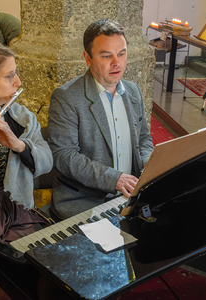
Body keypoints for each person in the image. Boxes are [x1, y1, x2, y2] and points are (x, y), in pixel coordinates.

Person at [0, 42, 53, 299]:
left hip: (14, 210)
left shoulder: (21, 117)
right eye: (9, 75)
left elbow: (47, 162)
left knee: (46, 270)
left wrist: (18, 144)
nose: (18, 81)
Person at [48, 19, 154, 220]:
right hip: (85, 202)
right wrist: (115, 180)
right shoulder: (67, 97)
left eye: (121, 54)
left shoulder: (133, 91)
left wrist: (150, 168)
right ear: (87, 58)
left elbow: (143, 139)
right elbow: (64, 155)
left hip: (129, 197)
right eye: (107, 56)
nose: (117, 63)